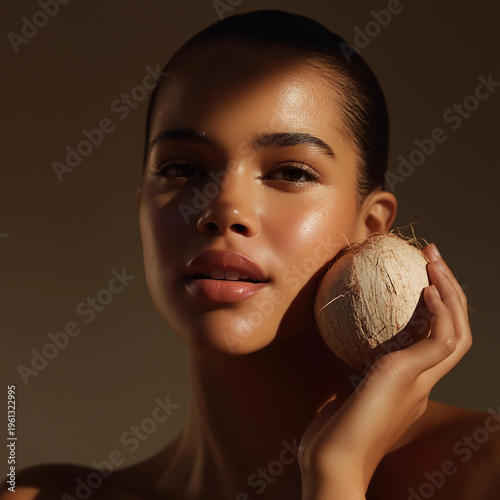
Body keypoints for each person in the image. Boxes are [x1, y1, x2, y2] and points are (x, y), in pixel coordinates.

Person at [3, 9, 499, 500]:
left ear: (371, 228)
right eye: (181, 168)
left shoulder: (481, 472)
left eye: (291, 172)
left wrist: (336, 472)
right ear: (142, 211)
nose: (223, 210)